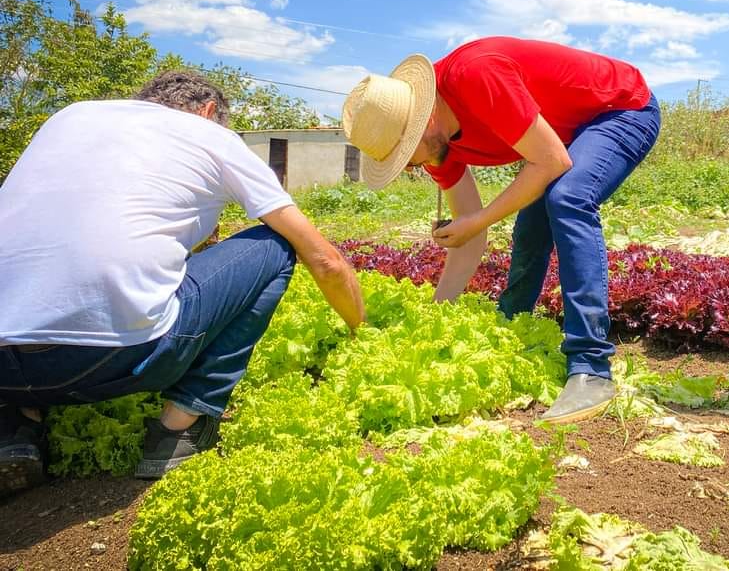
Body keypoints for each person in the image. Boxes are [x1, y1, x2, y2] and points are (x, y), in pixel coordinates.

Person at [0, 71, 365, 496]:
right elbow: (326, 260)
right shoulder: (209, 135)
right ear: (209, 112)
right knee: (274, 245)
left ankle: (15, 430)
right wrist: (362, 331)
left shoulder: (70, 118)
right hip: (107, 361)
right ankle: (180, 428)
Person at [342, 37, 660, 424]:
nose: (409, 168)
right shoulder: (436, 148)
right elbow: (468, 237)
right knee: (531, 226)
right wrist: (433, 321)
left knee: (568, 198)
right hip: (564, 134)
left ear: (423, 124)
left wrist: (478, 220)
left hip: (621, 108)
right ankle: (513, 327)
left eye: (405, 156)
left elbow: (551, 160)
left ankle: (591, 368)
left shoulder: (476, 76)